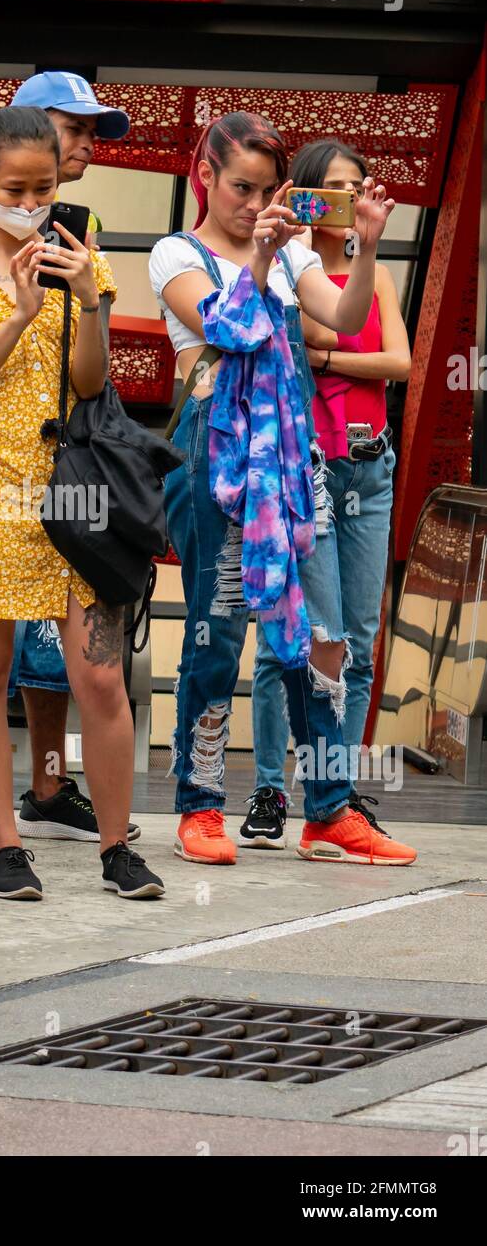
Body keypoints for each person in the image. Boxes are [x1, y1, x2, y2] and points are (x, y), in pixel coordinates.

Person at [0, 104, 164, 899]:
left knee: (101, 678)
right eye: (14, 189)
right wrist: (20, 313)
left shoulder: (80, 259)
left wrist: (85, 298)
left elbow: (92, 382)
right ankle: (5, 846)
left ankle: (117, 847)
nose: (31, 203)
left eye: (44, 188)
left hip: (79, 492)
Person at [148, 111, 416, 867]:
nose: (253, 203)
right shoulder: (178, 252)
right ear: (205, 175)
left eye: (267, 190)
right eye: (241, 187)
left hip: (296, 463)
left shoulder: (296, 249)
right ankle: (200, 808)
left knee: (312, 638)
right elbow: (227, 328)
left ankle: (328, 808)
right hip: (215, 461)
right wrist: (262, 258)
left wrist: (359, 242)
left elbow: (350, 315)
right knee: (217, 631)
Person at [248, 139, 411, 843]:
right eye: (330, 190)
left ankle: (334, 798)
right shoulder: (293, 267)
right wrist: (332, 351)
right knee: (304, 639)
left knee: (362, 643)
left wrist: (329, 354)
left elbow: (399, 361)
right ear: (304, 196)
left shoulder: (377, 275)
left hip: (371, 467)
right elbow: (321, 327)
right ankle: (267, 791)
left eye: (356, 187)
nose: (345, 202)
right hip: (311, 465)